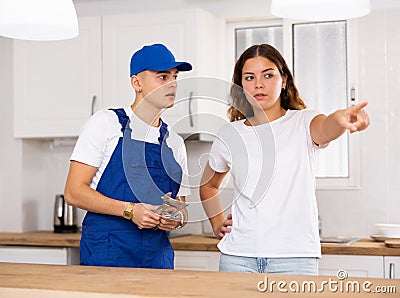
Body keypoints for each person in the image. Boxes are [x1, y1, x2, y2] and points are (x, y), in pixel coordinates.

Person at [200, 44, 369, 275]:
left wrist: (341, 119)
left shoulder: (303, 122)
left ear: (284, 80)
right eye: (249, 78)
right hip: (238, 257)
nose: (258, 84)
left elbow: (326, 127)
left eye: (268, 75)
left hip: (294, 259)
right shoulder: (230, 134)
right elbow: (208, 185)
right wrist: (217, 222)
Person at [64, 43, 192, 269]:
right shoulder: (106, 124)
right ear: (137, 83)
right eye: (162, 77)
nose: (172, 84)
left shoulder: (174, 142)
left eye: (175, 76)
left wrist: (174, 218)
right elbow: (74, 192)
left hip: (157, 260)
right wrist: (130, 211)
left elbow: (181, 207)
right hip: (108, 256)